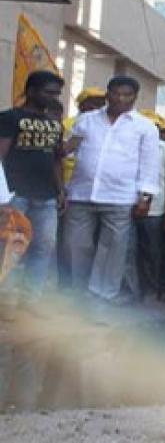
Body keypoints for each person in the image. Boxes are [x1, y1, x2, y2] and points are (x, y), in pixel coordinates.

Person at [63, 76, 161, 303]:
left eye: (126, 94)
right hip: (81, 192)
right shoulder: (86, 121)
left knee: (112, 249)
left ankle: (102, 295)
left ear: (134, 98)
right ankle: (79, 293)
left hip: (120, 196)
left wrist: (145, 198)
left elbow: (149, 164)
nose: (120, 98)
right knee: (76, 244)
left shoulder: (144, 127)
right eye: (116, 93)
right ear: (108, 94)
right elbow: (70, 148)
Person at [0, 71, 64, 299]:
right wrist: (2, 198)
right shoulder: (9, 118)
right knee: (10, 248)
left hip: (46, 196)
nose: (54, 97)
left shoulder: (55, 124)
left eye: (57, 93)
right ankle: (6, 299)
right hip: (16, 195)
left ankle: (31, 300)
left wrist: (60, 191)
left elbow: (56, 159)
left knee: (44, 247)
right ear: (31, 91)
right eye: (49, 92)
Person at [127, 114, 165, 303]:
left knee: (153, 252)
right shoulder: (127, 148)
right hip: (127, 207)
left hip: (155, 210)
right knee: (130, 252)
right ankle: (133, 290)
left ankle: (152, 290)